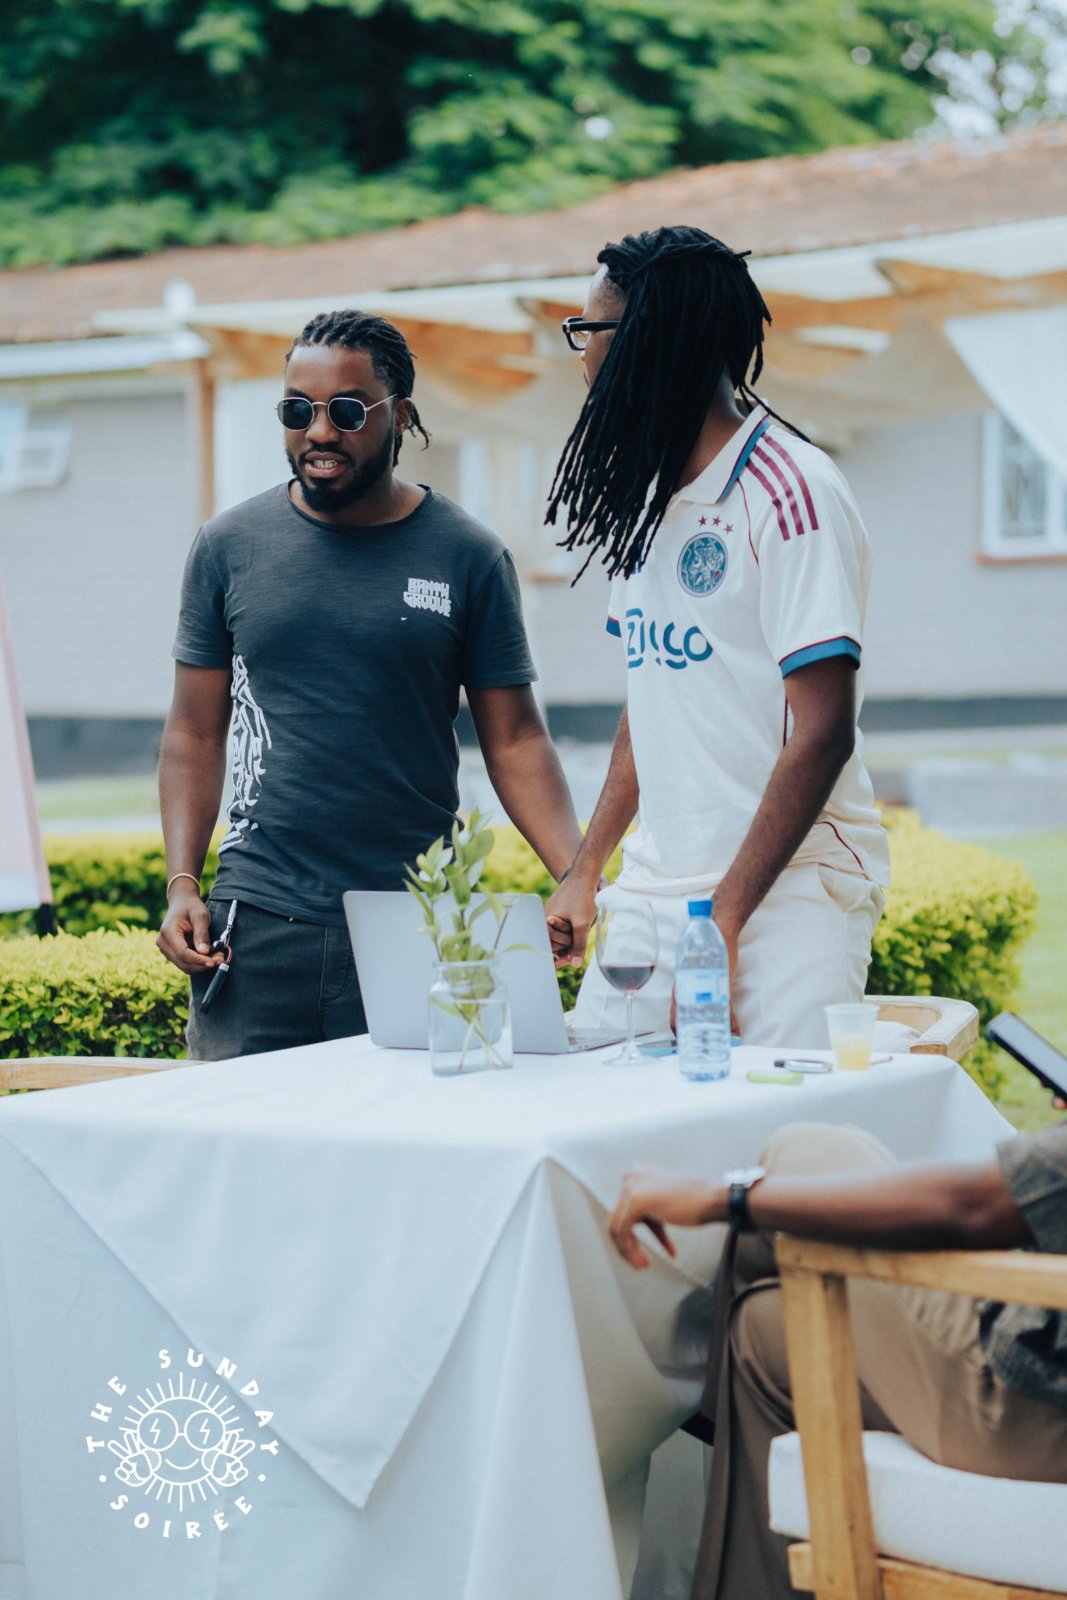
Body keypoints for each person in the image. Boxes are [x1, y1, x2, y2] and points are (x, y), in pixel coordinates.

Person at [157, 309, 583, 1059]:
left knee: (411, 1129)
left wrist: (577, 876)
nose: (320, 432)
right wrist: (182, 883)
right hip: (257, 924)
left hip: (414, 919)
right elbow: (194, 732)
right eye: (298, 411)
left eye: (348, 411)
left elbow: (516, 739)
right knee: (240, 1130)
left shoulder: (469, 556)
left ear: (402, 416)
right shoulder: (229, 546)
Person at [543, 226, 890, 1046]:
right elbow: (654, 697)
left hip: (790, 887)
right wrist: (586, 870)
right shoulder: (643, 495)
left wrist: (722, 925)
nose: (582, 355)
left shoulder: (794, 492)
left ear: (650, 341)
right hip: (654, 886)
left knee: (773, 1118)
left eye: (589, 331)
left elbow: (823, 732)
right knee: (594, 1100)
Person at [609, 1107, 1067, 1600]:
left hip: (1033, 1406)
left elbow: (974, 1207)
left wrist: (721, 1197)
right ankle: (722, 1404)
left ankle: (713, 1408)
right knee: (764, 1329)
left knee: (802, 1149)